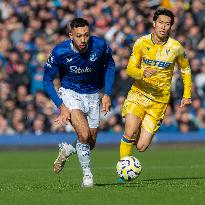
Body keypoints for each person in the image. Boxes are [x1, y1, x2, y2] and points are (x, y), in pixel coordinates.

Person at [43, 18, 115, 187]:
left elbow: (110, 65)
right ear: (71, 36)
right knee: (83, 135)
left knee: (90, 142)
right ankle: (87, 176)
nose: (83, 40)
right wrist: (61, 106)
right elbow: (47, 80)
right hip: (71, 93)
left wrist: (107, 93)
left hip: (93, 95)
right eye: (78, 36)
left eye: (86, 35)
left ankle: (67, 149)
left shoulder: (100, 46)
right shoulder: (59, 52)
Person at [119, 8, 192, 159]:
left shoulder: (176, 48)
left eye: (167, 24)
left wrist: (186, 95)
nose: (163, 27)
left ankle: (135, 132)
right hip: (139, 93)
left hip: (159, 101)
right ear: (154, 23)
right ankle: (123, 170)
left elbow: (186, 70)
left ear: (171, 26)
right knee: (129, 132)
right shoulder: (141, 42)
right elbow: (130, 70)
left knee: (141, 146)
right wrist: (142, 73)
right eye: (161, 23)